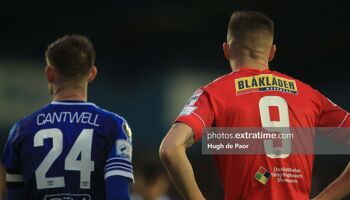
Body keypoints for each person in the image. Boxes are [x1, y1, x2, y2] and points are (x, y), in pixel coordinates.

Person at [159, 11, 350, 200]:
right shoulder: (309, 95)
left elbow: (170, 149)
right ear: (272, 52)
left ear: (226, 50)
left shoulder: (215, 93)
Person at [0, 35, 134, 200]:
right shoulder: (114, 126)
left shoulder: (20, 130)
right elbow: (118, 195)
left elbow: (13, 196)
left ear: (49, 73)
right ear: (92, 73)